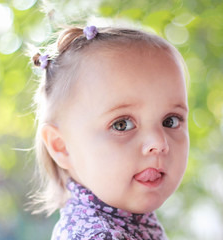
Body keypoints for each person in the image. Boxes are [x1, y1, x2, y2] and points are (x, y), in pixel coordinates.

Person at [30, 25, 189, 239]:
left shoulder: (127, 220)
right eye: (121, 124)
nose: (159, 142)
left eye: (170, 121)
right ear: (62, 146)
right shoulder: (97, 235)